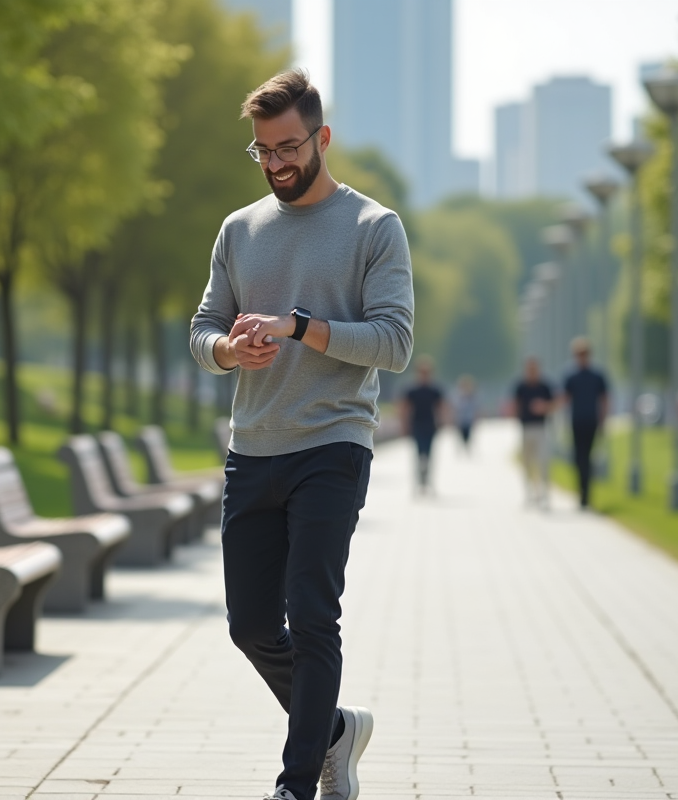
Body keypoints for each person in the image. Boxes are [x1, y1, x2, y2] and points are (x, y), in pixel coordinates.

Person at [189, 69, 413, 800]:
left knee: (313, 613)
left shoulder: (374, 228)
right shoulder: (238, 229)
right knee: (250, 624)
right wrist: (229, 351)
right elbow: (202, 330)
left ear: (321, 139)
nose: (277, 162)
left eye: (289, 147)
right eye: (263, 151)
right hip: (252, 446)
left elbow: (393, 343)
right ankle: (335, 730)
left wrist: (299, 328)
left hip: (332, 444)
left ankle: (297, 783)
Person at [559, 338, 609, 510]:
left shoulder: (597, 375)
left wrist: (603, 420)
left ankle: (586, 495)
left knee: (588, 457)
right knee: (578, 458)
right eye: (578, 354)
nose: (581, 357)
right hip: (576, 421)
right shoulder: (571, 376)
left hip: (591, 421)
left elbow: (604, 399)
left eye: (584, 354)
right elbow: (564, 398)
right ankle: (581, 491)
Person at [508, 357, 554, 508]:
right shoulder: (521, 386)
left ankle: (545, 494)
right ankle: (529, 493)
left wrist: (544, 407)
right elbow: (514, 404)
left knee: (543, 462)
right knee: (527, 463)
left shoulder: (545, 386)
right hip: (525, 428)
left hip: (541, 428)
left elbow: (554, 403)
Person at [399, 357, 446, 492]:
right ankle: (419, 480)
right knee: (419, 454)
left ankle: (428, 480)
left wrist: (442, 421)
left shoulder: (434, 390)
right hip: (417, 425)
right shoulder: (412, 390)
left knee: (429, 454)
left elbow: (441, 407)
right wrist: (404, 425)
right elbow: (405, 408)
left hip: (430, 425)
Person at [453, 374, 478, 451]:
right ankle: (463, 445)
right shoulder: (458, 397)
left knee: (468, 433)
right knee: (461, 434)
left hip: (469, 419)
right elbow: (455, 408)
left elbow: (476, 408)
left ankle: (467, 444)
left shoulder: (472, 397)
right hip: (461, 419)